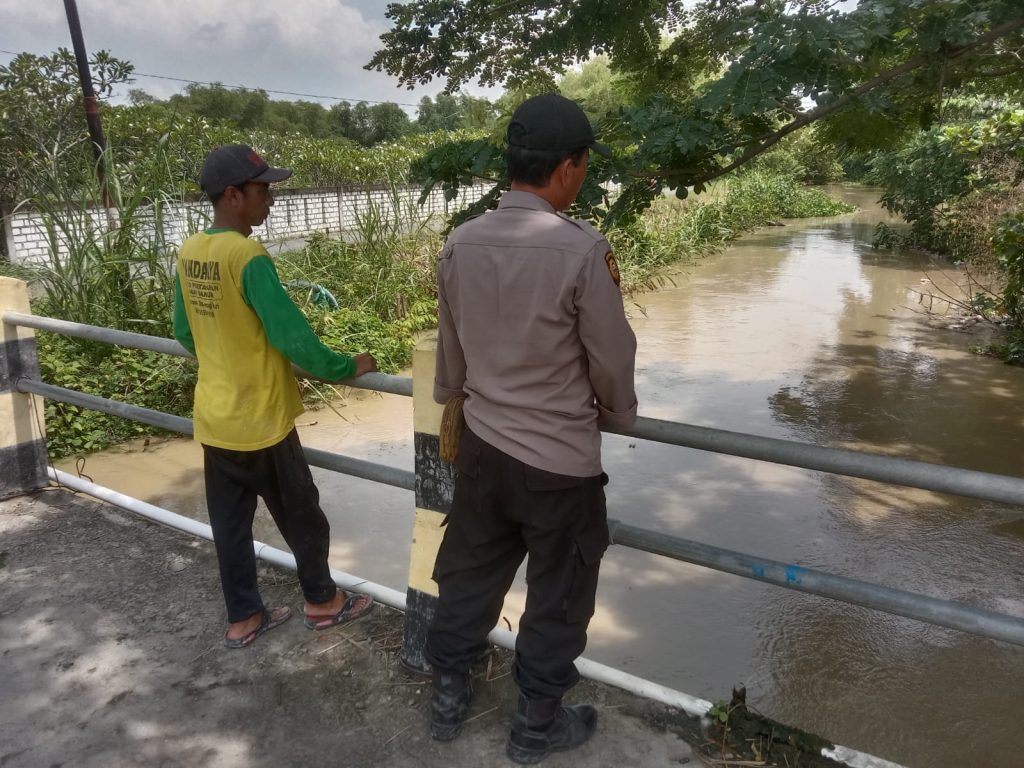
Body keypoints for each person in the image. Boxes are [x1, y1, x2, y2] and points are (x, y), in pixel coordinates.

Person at [425, 94, 638, 763]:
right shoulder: (583, 250)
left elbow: (450, 348)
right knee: (559, 593)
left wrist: (453, 398)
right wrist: (617, 414)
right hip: (558, 464)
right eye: (584, 165)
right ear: (569, 168)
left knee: (469, 572)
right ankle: (535, 726)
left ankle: (447, 697)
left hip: (482, 448)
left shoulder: (460, 241)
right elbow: (611, 359)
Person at [173, 144, 377, 649]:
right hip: (261, 419)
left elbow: (184, 331)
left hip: (216, 418)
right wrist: (348, 366)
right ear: (233, 195)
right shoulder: (248, 256)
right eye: (263, 191)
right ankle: (323, 602)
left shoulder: (190, 250)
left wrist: (227, 353)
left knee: (230, 528)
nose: (270, 200)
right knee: (303, 516)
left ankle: (244, 618)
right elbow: (293, 339)